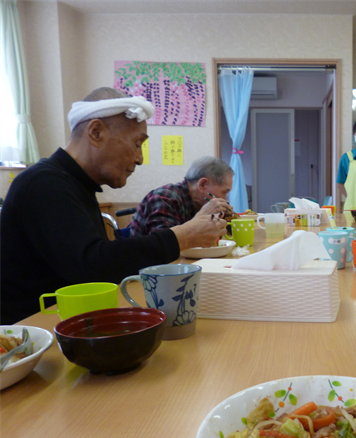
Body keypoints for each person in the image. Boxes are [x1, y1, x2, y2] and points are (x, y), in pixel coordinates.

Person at [0, 87, 227, 324]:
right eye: (137, 144)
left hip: (66, 320)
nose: (139, 158)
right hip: (29, 332)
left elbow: (97, 260)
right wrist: (182, 236)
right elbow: (93, 267)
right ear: (96, 132)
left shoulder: (74, 185)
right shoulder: (44, 183)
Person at [130, 156, 234, 236]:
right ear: (203, 185)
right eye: (224, 192)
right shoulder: (164, 198)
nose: (225, 199)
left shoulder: (200, 202)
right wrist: (201, 217)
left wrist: (230, 219)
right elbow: (164, 246)